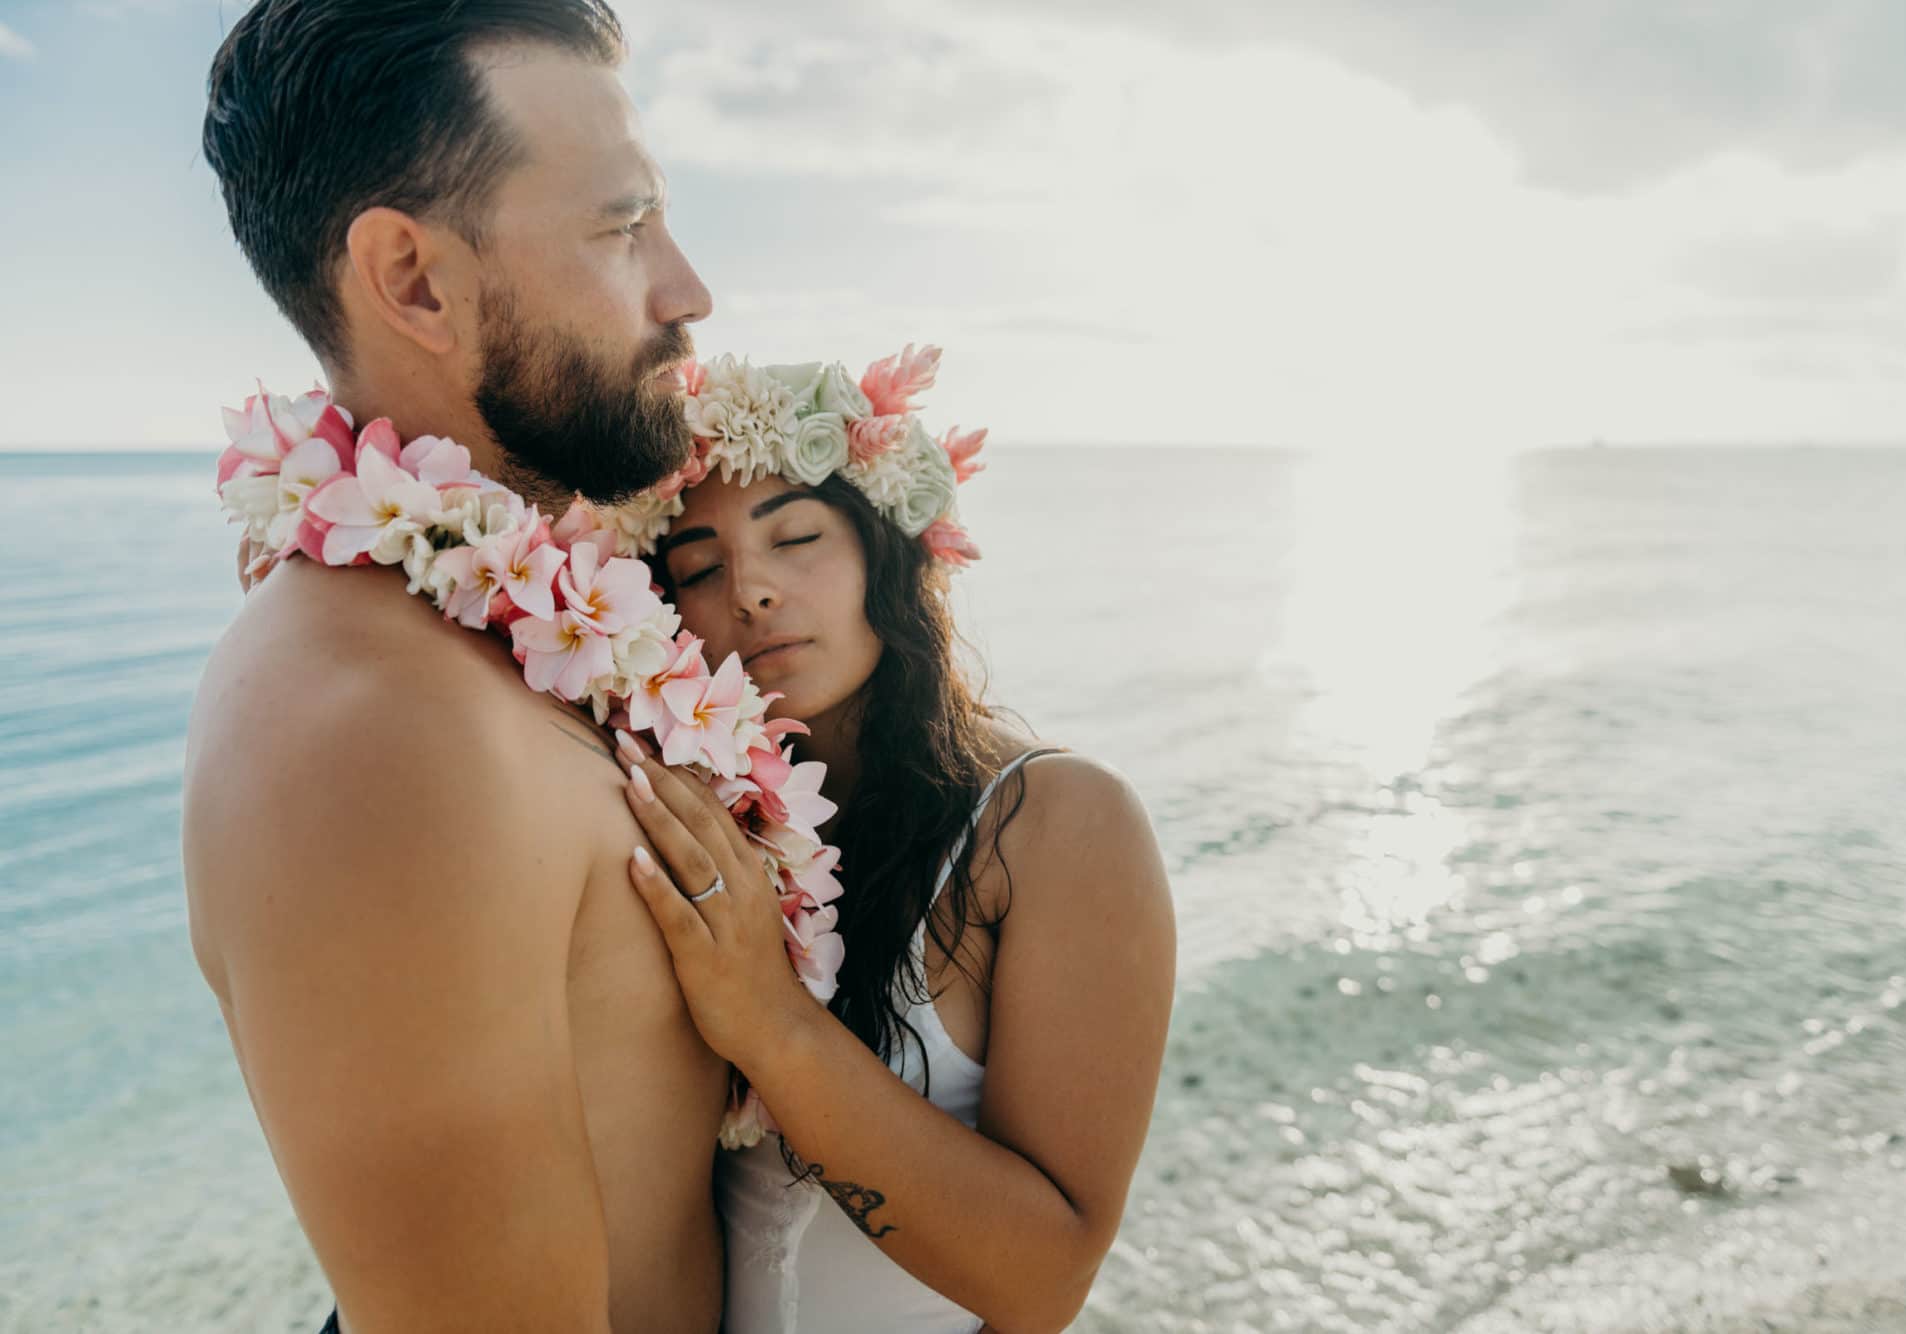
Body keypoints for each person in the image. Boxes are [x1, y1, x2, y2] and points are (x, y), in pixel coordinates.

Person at [182, 3, 729, 1330]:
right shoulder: (373, 735)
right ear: (415, 282)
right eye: (620, 224)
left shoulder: (532, 608)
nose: (688, 288)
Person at [615, 455, 1177, 1332]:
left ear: (888, 551)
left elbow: (1046, 1285)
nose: (751, 590)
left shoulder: (1057, 821)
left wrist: (769, 1021)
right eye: (698, 568)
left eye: (795, 536)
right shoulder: (693, 822)